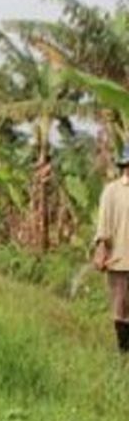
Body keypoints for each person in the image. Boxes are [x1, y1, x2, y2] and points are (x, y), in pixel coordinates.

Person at [93, 147, 129, 353]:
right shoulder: (112, 191)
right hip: (120, 261)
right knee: (121, 311)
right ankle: (124, 354)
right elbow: (103, 228)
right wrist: (101, 252)